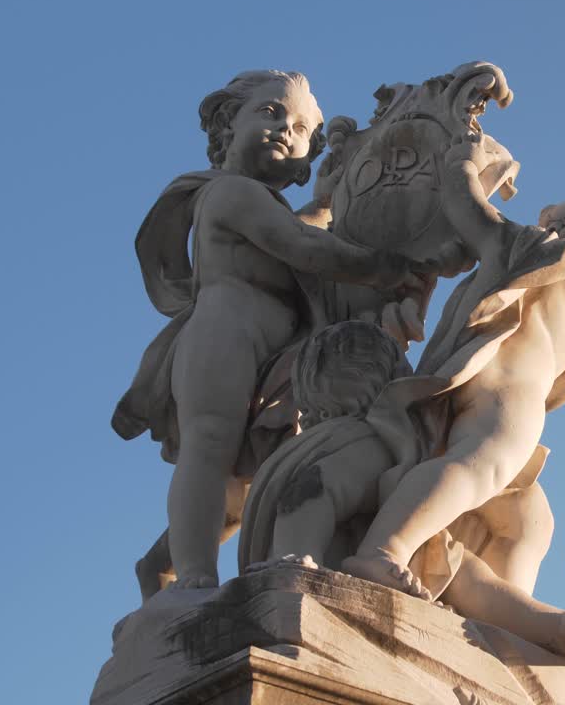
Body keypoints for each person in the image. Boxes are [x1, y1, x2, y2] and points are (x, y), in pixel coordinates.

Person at [113, 70, 413, 594]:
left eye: (301, 128)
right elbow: (305, 248)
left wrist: (328, 199)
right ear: (228, 125)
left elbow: (303, 228)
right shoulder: (229, 193)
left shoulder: (269, 207)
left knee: (244, 483)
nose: (285, 130)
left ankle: (159, 564)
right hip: (224, 333)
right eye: (271, 113)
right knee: (209, 444)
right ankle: (194, 576)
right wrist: (388, 267)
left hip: (277, 350)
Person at [239, 319, 565, 667]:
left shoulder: (379, 447)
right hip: (329, 563)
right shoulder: (361, 442)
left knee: (461, 571)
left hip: (386, 559)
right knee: (464, 576)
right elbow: (309, 493)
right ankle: (559, 632)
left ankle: (561, 634)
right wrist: (296, 562)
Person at [339, 192, 565, 604]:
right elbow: (473, 214)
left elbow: (560, 388)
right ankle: (383, 550)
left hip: (519, 399)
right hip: (507, 391)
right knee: (480, 463)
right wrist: (464, 169)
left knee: (529, 520)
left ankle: (499, 621)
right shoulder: (547, 254)